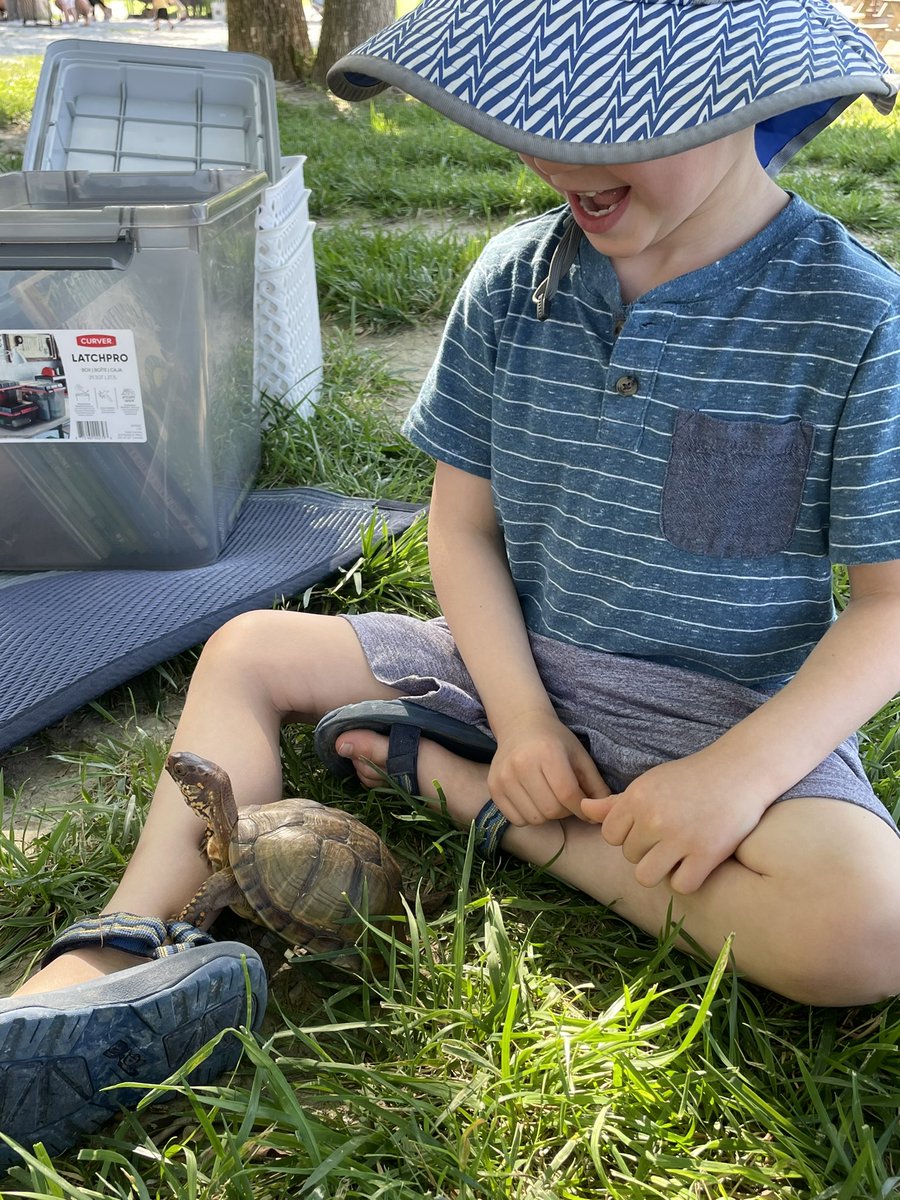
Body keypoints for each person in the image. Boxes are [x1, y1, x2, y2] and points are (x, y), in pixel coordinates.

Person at [3, 0, 900, 1167]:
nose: (561, 160)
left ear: (749, 105)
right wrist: (520, 714)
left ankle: (466, 798)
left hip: (718, 714)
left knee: (870, 928)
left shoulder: (854, 319)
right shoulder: (511, 280)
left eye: (620, 124)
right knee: (248, 649)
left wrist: (736, 778)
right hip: (499, 666)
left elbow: (887, 605)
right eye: (533, 118)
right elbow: (462, 529)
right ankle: (109, 960)